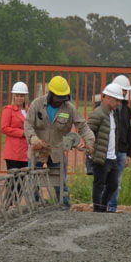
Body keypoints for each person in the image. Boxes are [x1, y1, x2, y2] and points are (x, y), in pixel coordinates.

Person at [24, 75, 95, 208]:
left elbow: (83, 126)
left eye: (63, 98)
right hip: (37, 151)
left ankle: (65, 209)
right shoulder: (37, 104)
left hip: (57, 151)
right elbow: (28, 124)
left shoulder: (69, 109)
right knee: (32, 183)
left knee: (61, 184)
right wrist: (33, 139)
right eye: (58, 98)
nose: (60, 101)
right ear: (51, 94)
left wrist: (89, 141)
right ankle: (33, 208)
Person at [87, 83, 126, 212]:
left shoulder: (112, 114)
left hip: (112, 157)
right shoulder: (97, 114)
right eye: (117, 100)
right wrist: (90, 150)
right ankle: (98, 210)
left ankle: (102, 208)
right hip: (100, 157)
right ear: (108, 98)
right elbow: (88, 133)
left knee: (113, 185)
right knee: (99, 185)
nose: (119, 103)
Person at [106, 74, 131, 213]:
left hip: (122, 151)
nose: (123, 93)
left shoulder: (127, 110)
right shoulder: (103, 107)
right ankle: (102, 206)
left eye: (125, 90)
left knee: (117, 182)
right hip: (107, 150)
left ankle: (112, 208)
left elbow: (129, 132)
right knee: (105, 180)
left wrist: (129, 153)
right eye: (122, 90)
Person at [1, 81, 30, 170]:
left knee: (26, 177)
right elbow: (4, 128)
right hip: (13, 152)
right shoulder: (8, 110)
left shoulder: (30, 110)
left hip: (26, 151)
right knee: (14, 178)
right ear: (13, 96)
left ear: (25, 97)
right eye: (17, 96)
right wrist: (22, 133)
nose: (19, 98)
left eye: (22, 96)